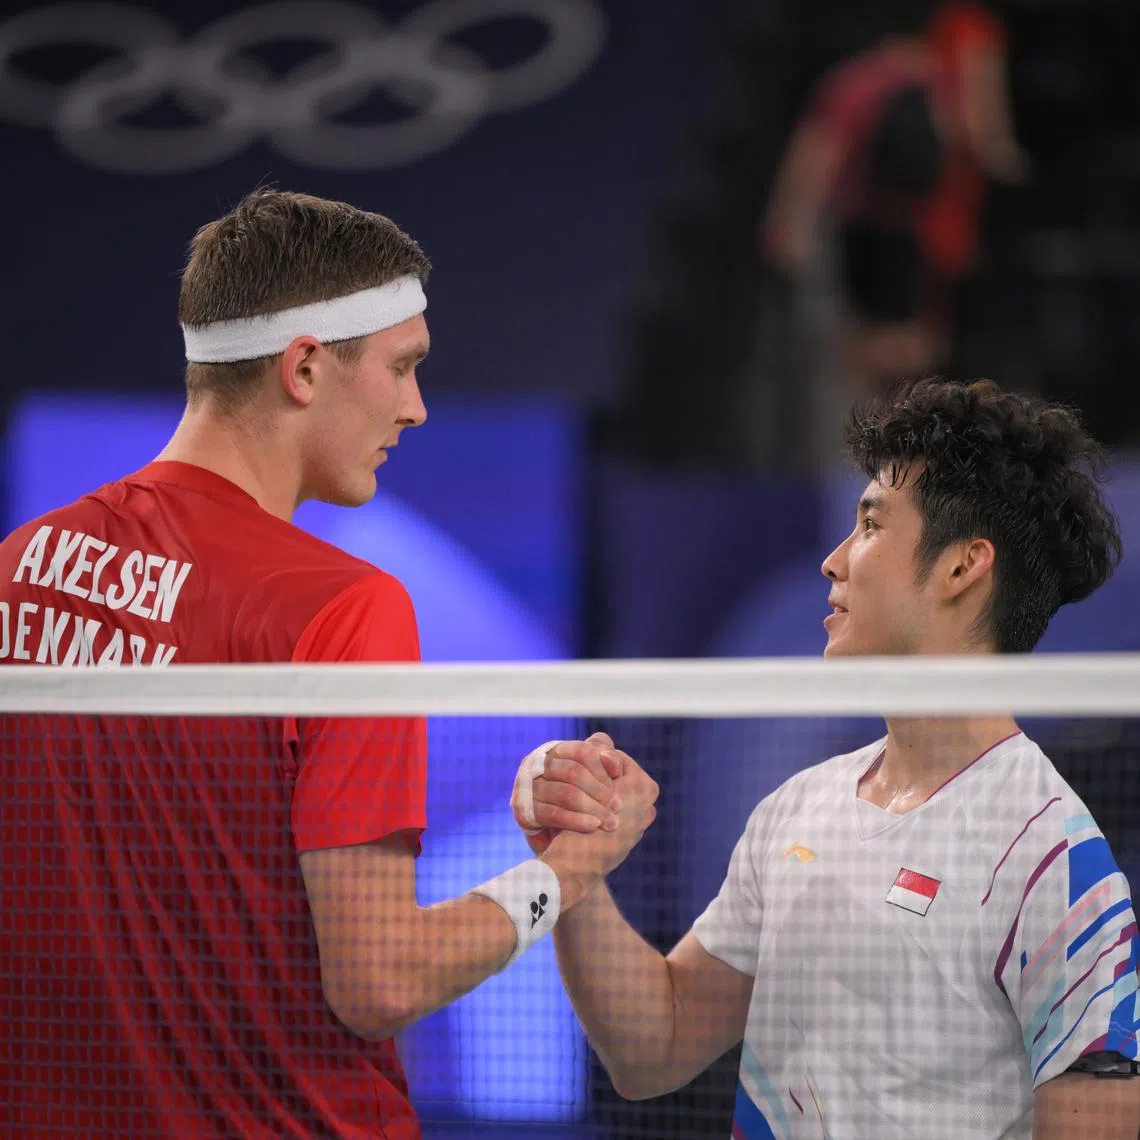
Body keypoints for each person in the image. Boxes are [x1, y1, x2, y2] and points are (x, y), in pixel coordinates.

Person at [0, 189, 652, 1139]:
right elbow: (380, 981)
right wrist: (573, 867)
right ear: (305, 367)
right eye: (402, 367)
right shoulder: (344, 609)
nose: (417, 407)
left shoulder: (21, 569)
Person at [518, 378, 1140, 1138]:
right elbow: (657, 1045)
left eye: (871, 526)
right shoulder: (796, 810)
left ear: (961, 567)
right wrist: (573, 867)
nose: (834, 561)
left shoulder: (1052, 863)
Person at [764, 2, 1028, 401]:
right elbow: (980, 140)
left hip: (876, 228)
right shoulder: (943, 79)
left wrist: (790, 216)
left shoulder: (860, 79)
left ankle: (891, 432)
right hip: (920, 230)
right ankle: (905, 432)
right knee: (914, 345)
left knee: (884, 344)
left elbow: (818, 149)